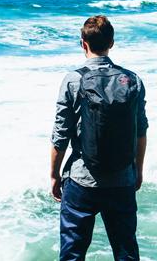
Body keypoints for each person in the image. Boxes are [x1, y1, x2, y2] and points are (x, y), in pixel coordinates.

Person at [50, 15, 148, 261]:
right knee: (126, 252)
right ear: (111, 43)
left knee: (72, 255)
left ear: (83, 43)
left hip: (82, 180)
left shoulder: (73, 80)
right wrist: (137, 170)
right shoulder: (132, 80)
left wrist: (54, 174)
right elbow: (141, 130)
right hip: (122, 178)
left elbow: (61, 133)